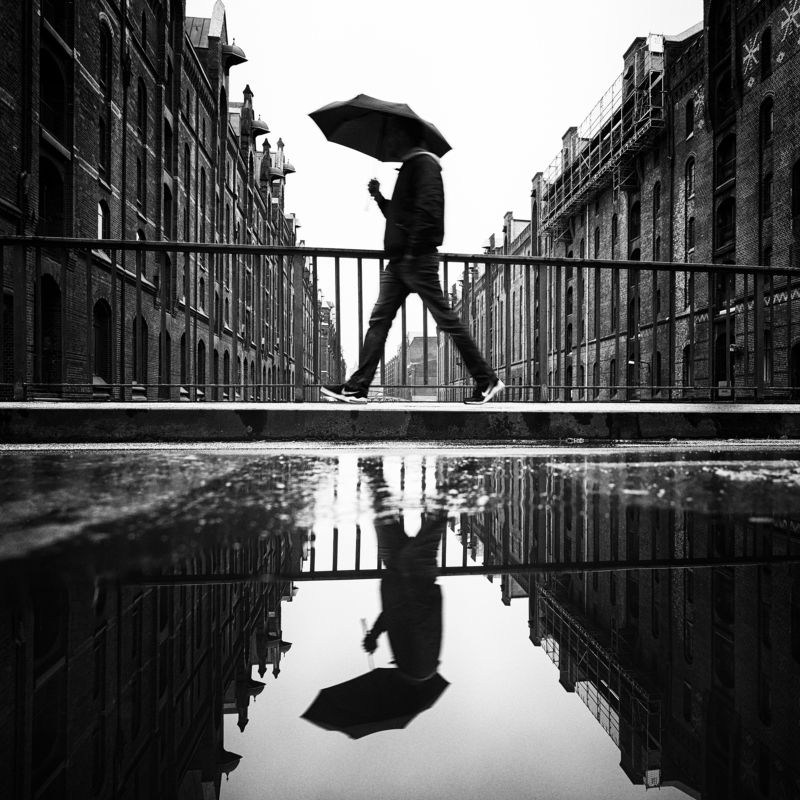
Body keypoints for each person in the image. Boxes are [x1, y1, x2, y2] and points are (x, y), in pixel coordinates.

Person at [321, 121, 504, 405]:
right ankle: (357, 386)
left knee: (448, 322)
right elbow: (400, 217)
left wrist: (410, 250)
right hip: (401, 262)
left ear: (406, 138)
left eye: (394, 136)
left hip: (415, 259)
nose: (390, 143)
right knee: (379, 322)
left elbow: (429, 212)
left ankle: (487, 380)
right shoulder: (410, 167)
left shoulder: (425, 165)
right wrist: (380, 198)